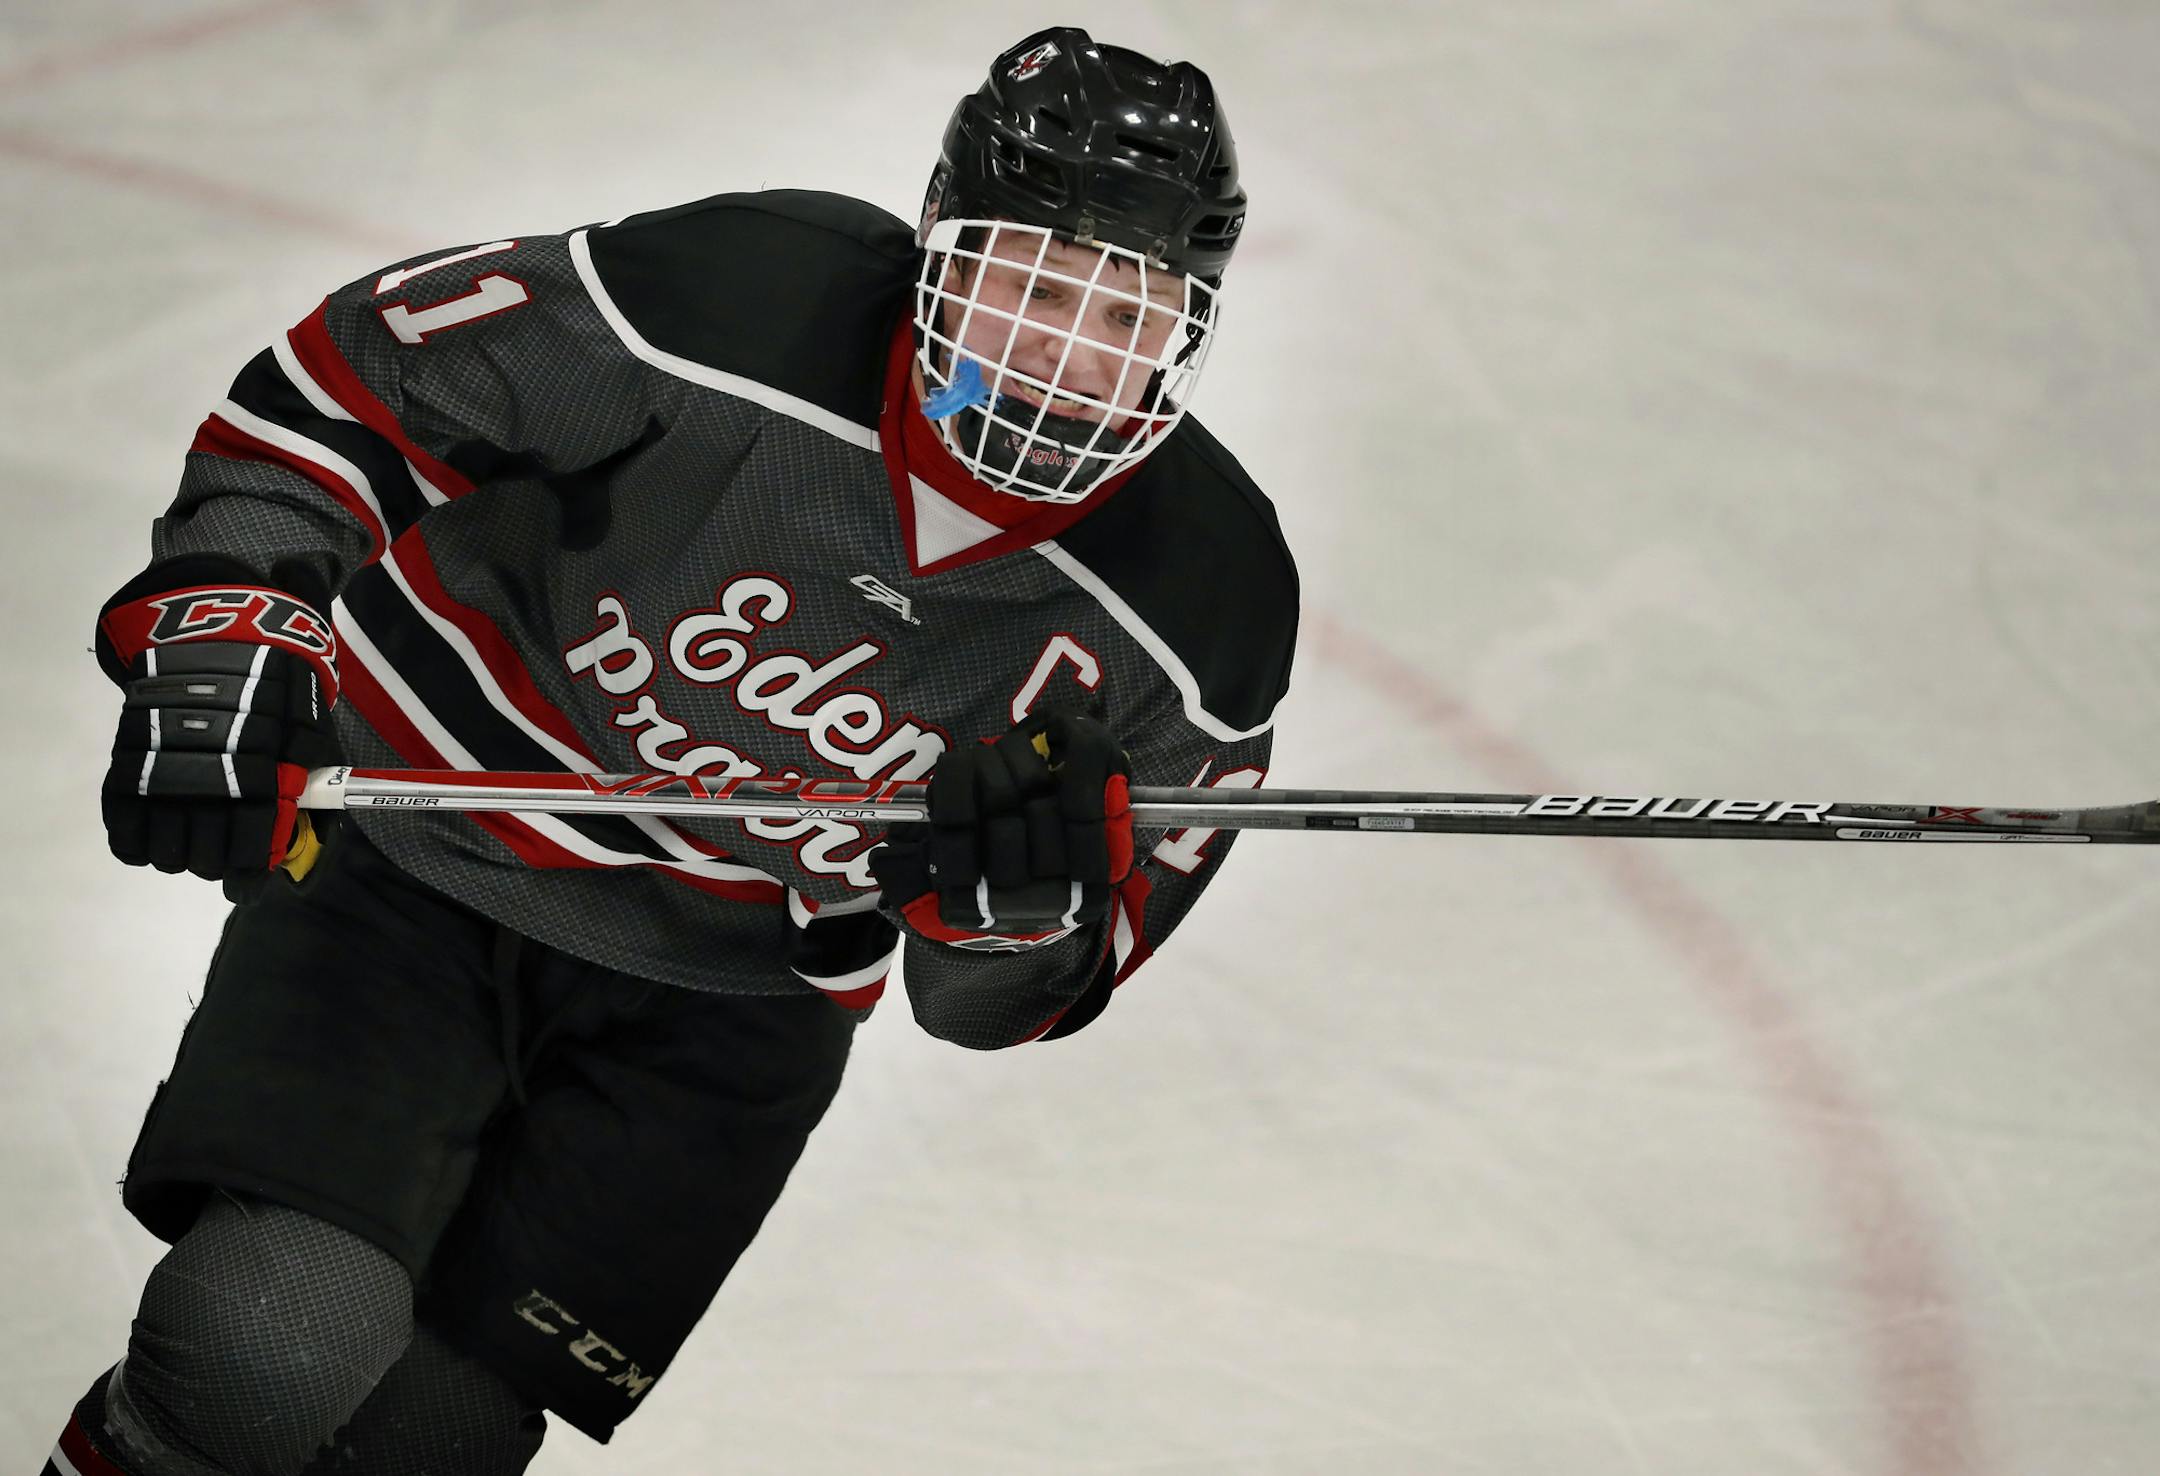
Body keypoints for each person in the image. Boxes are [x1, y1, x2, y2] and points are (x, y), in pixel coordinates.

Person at [48, 25, 1296, 1475]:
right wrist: (237, 616)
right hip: (421, 865)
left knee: (428, 1440)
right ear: (939, 250)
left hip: (731, 1007)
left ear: (1192, 326)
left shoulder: (1204, 608)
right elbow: (352, 389)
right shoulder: (728, 306)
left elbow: (1000, 1000)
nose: (1067, 358)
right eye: (1029, 284)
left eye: (1124, 313)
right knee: (260, 1352)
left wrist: (1005, 907)